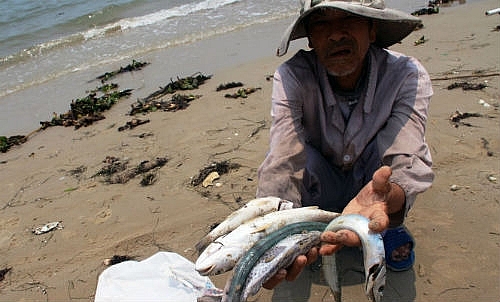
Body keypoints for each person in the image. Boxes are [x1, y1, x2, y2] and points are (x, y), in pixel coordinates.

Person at [255, 0, 434, 301]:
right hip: (318, 189)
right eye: (322, 24)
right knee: (301, 157)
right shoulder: (292, 77)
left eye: (349, 20)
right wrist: (271, 234)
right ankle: (299, 235)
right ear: (310, 38)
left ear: (372, 29)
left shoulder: (406, 75)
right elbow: (282, 161)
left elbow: (406, 157)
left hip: (373, 189)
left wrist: (388, 197)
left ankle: (385, 226)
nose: (336, 35)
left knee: (390, 161)